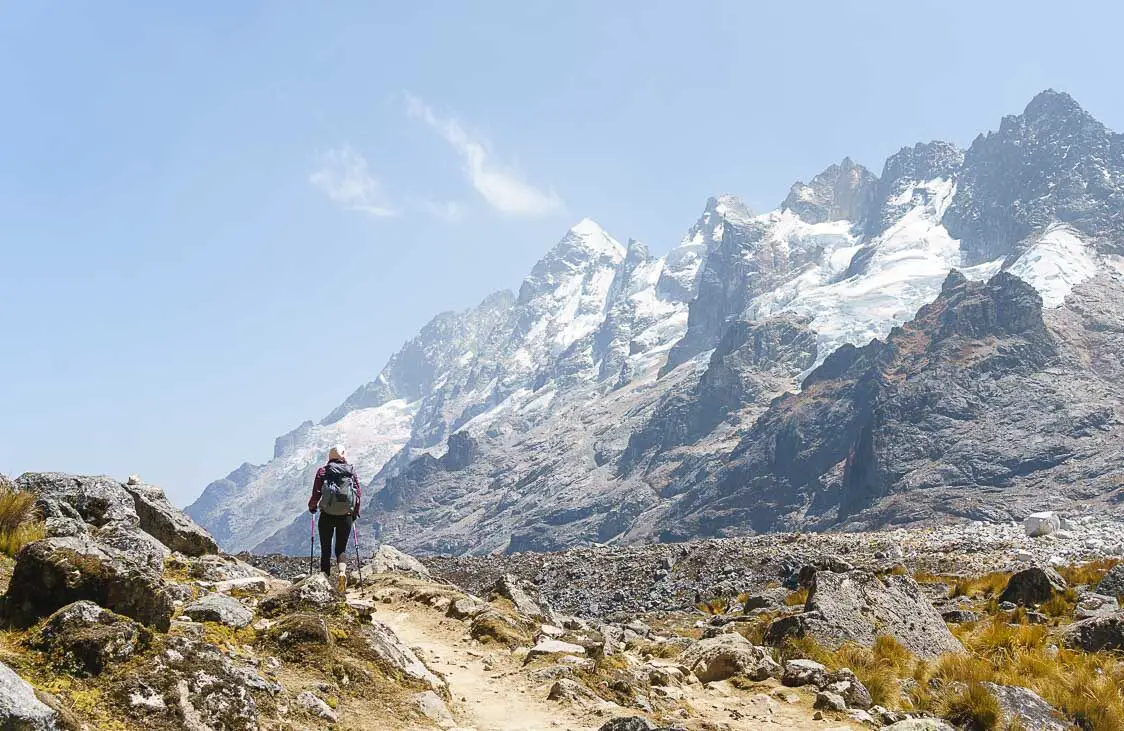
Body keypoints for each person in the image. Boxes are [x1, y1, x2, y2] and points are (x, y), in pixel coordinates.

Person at [308, 444, 361, 591]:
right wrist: (354, 513)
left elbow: (316, 493)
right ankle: (342, 573)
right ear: (343, 456)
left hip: (327, 515)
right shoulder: (350, 471)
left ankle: (325, 582)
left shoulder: (323, 471)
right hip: (346, 516)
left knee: (326, 549)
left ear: (330, 457)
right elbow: (358, 494)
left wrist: (312, 507)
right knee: (341, 549)